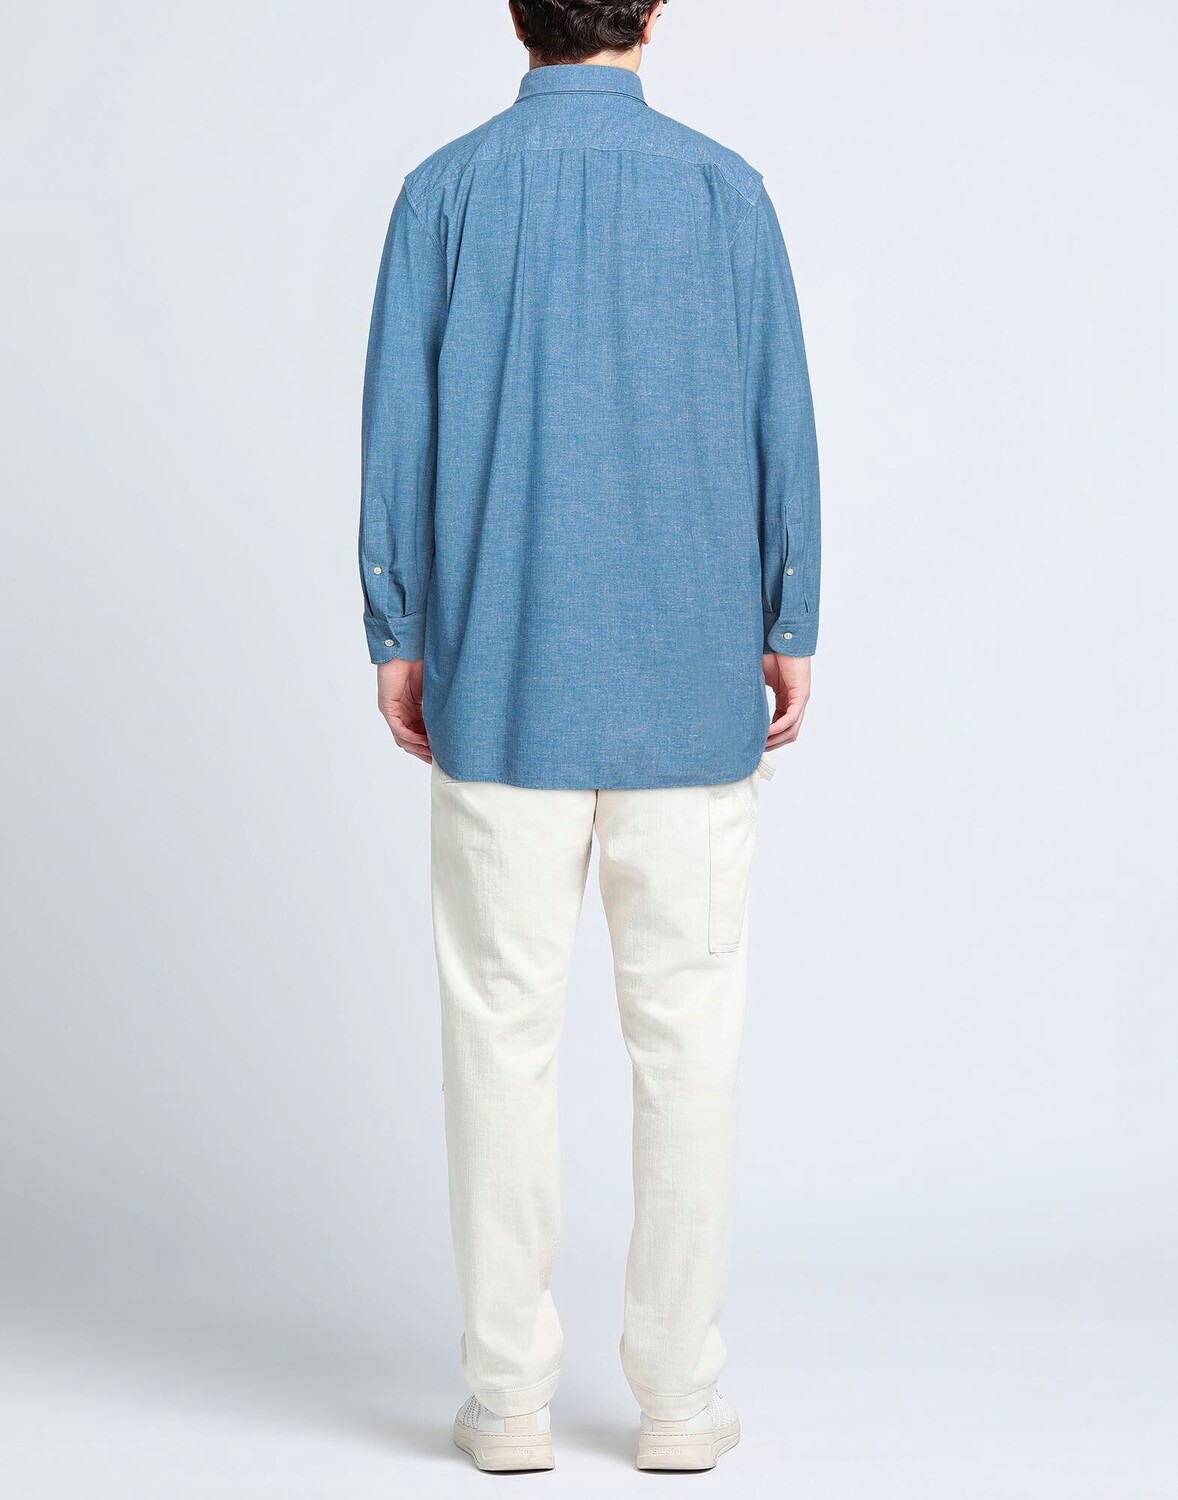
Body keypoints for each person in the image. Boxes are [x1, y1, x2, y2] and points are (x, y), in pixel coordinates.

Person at [358, 0, 820, 1474]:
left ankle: (508, 1404)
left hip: (501, 684)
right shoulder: (722, 191)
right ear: (652, 9)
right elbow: (780, 419)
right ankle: (679, 1401)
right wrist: (788, 614)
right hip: (689, 688)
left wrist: (396, 632)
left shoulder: (444, 194)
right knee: (689, 1048)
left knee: (498, 1044)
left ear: (518, 10)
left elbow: (397, 434)